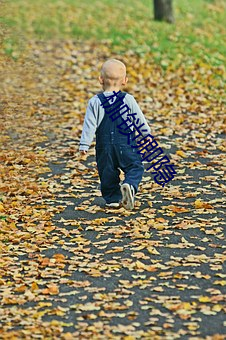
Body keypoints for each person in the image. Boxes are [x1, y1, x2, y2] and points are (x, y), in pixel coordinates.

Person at [79, 59, 151, 210]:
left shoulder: (95, 102)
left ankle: (112, 199)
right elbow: (138, 119)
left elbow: (89, 125)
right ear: (125, 81)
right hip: (126, 143)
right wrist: (145, 134)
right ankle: (129, 185)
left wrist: (84, 144)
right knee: (135, 167)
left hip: (104, 146)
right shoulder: (128, 100)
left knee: (107, 172)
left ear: (100, 79)